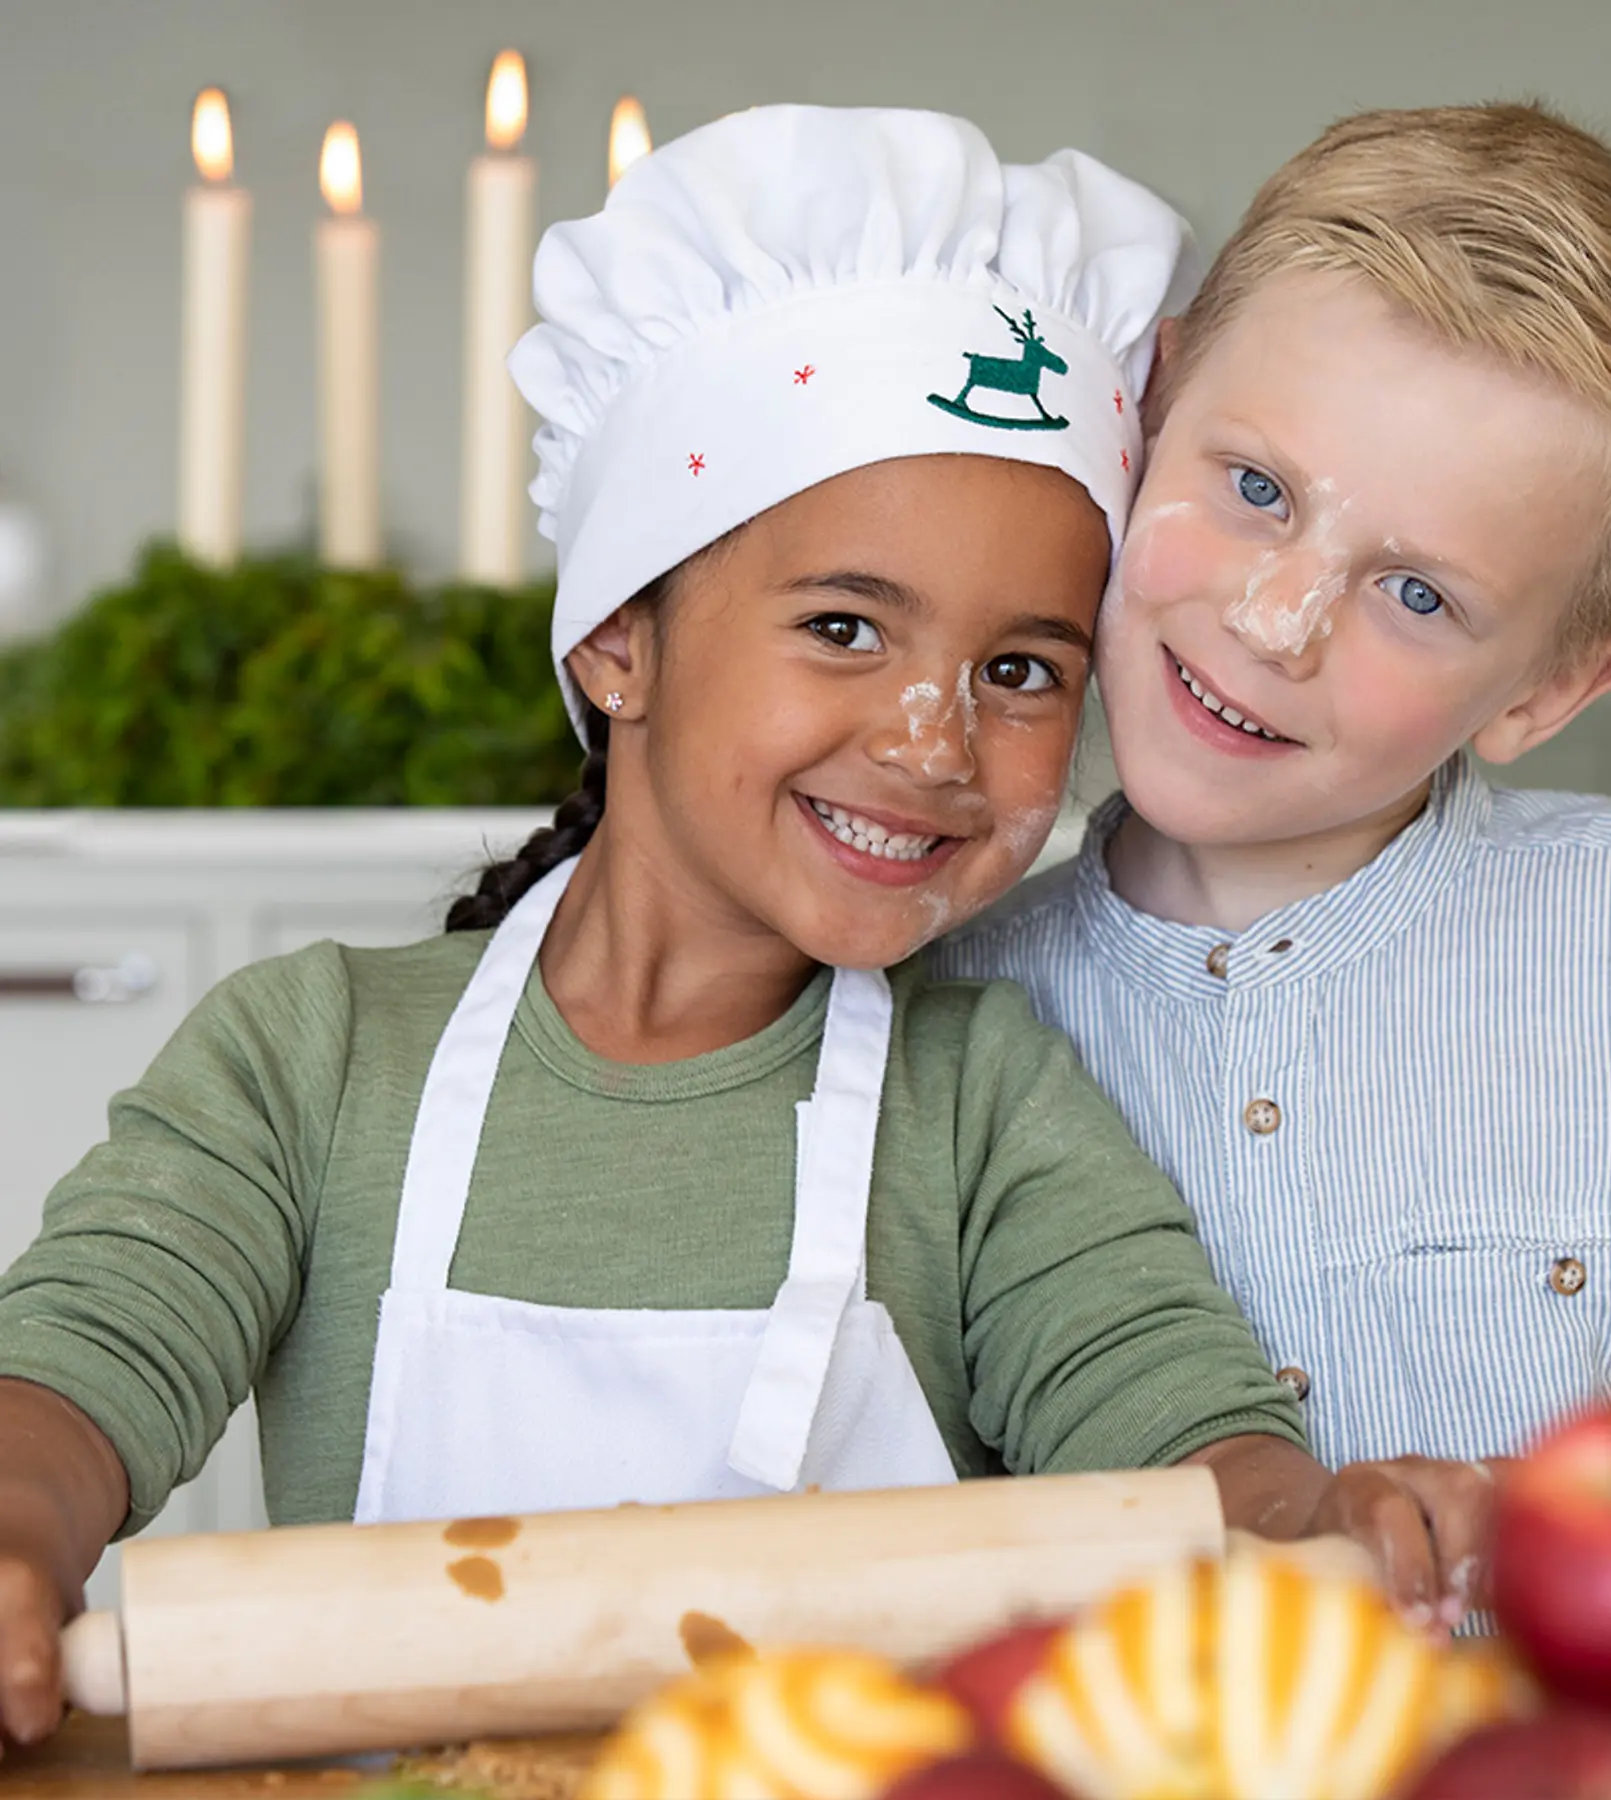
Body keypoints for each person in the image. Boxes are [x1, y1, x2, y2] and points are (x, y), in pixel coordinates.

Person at [0, 107, 1488, 1754]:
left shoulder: (980, 1100)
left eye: (1022, 671)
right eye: (845, 627)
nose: (934, 739)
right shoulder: (316, 1061)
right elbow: (85, 1360)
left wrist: (1306, 1532)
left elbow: (1172, 1424)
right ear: (619, 642)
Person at [934, 101, 1611, 1597]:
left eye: (1417, 595)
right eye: (1256, 489)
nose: (1277, 623)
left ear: (1546, 692)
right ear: (1149, 402)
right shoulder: (948, 999)